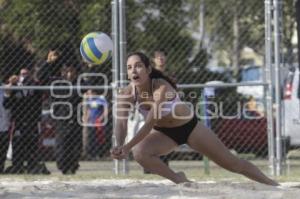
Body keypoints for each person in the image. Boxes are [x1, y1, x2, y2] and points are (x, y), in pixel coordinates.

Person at [111, 52, 279, 186]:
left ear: (148, 69)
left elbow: (149, 124)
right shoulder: (126, 94)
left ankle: (272, 184)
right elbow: (121, 124)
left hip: (189, 128)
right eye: (129, 67)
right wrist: (119, 146)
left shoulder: (161, 86)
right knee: (140, 152)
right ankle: (180, 180)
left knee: (233, 164)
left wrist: (127, 146)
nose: (134, 70)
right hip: (164, 134)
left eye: (138, 66)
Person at [3, 70, 50, 174]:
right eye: (22, 74)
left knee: (32, 145)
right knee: (18, 145)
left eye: (27, 74)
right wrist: (8, 91)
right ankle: (17, 166)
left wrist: (36, 81)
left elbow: (43, 90)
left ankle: (32, 166)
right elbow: (6, 105)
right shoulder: (15, 88)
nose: (25, 77)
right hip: (19, 122)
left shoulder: (35, 87)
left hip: (32, 122)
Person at [53, 64, 82, 174]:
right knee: (62, 144)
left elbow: (89, 85)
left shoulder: (79, 83)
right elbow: (42, 77)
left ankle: (73, 166)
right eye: (67, 71)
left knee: (75, 144)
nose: (69, 74)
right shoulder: (58, 83)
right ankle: (63, 167)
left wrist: (88, 67)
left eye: (72, 71)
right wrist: (49, 63)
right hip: (62, 118)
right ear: (63, 72)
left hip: (75, 118)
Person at [83, 89, 108, 159]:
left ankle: (99, 154)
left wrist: (101, 118)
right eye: (88, 93)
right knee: (91, 138)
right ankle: (91, 154)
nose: (89, 95)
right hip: (91, 122)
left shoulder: (101, 99)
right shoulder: (89, 101)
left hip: (98, 122)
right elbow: (88, 111)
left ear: (94, 92)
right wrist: (86, 119)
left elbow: (106, 110)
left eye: (90, 93)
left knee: (99, 138)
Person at [0, 79, 11, 174]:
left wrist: (7, 93)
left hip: (4, 124)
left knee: (3, 149)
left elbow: (8, 105)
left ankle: (1, 168)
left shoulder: (6, 88)